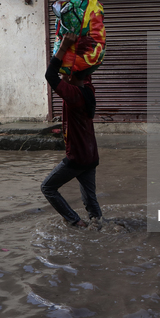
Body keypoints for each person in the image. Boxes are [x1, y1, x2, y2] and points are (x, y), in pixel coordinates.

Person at [41, 33, 101, 227]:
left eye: (66, 72)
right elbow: (84, 68)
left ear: (71, 74)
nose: (62, 75)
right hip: (90, 155)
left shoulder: (74, 95)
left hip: (77, 157)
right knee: (90, 201)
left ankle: (74, 221)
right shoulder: (88, 89)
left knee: (48, 188)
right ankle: (98, 224)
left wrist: (64, 46)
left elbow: (50, 75)